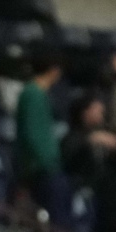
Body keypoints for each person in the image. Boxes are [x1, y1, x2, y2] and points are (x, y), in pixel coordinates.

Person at [12, 50, 67, 223]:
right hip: (41, 169)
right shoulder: (33, 94)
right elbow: (33, 134)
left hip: (44, 167)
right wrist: (48, 162)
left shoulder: (37, 93)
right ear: (54, 71)